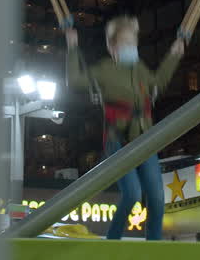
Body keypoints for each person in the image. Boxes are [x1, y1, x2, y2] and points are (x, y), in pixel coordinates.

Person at [66, 15, 185, 240]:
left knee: (157, 198)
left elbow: (157, 83)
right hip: (118, 140)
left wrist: (174, 55)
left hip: (145, 139)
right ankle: (112, 240)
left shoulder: (139, 68)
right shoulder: (105, 70)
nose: (131, 47)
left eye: (133, 43)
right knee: (132, 194)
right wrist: (72, 48)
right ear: (112, 48)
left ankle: (154, 246)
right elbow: (75, 80)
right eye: (126, 43)